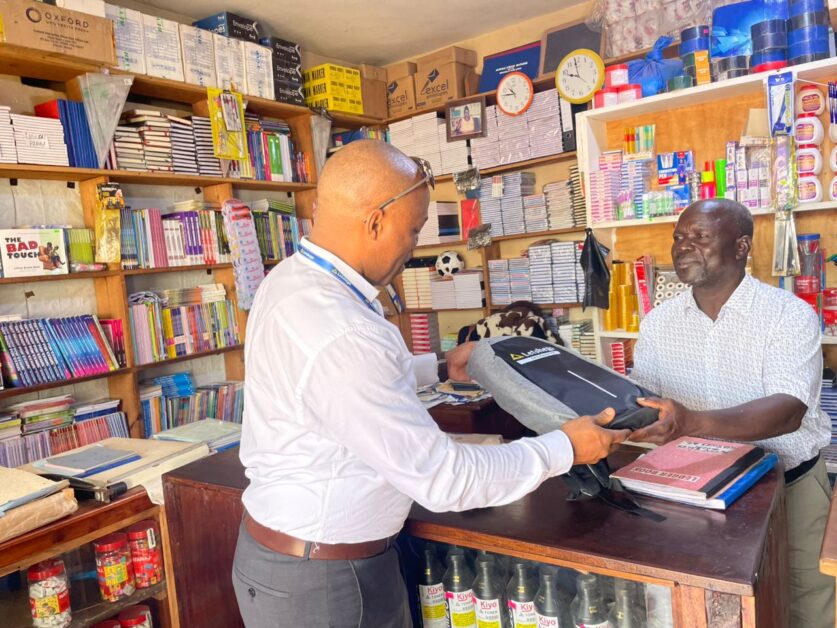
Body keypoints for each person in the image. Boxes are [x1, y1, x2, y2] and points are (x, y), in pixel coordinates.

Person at [232, 140, 629, 627]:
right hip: (326, 584)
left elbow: (328, 386)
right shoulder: (343, 329)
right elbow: (444, 480)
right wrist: (564, 448)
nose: (414, 246)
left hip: (289, 556)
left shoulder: (291, 281)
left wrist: (439, 367)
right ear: (375, 221)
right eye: (414, 229)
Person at [629, 199, 834, 628]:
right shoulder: (658, 323)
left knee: (804, 598)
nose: (684, 246)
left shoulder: (787, 315)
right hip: (696, 494)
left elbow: (789, 410)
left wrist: (691, 422)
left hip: (790, 488)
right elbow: (645, 401)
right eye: (679, 238)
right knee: (720, 606)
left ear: (741, 247)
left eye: (700, 236)